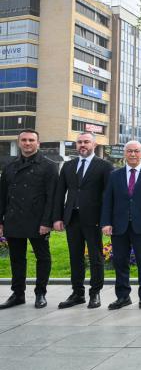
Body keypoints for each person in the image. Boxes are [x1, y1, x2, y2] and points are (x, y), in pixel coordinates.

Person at [52, 132, 113, 310]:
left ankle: (95, 292)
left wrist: (106, 220)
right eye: (79, 142)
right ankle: (77, 293)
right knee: (75, 257)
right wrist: (57, 217)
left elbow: (109, 195)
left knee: (96, 257)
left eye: (86, 142)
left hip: (94, 219)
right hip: (72, 218)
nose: (82, 145)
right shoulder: (68, 166)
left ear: (94, 145)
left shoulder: (104, 166)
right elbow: (59, 193)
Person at [0, 130, 58, 309]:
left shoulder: (49, 166)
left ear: (38, 143)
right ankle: (18, 294)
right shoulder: (9, 166)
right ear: (19, 143)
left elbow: (52, 197)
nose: (27, 143)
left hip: (38, 220)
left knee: (43, 257)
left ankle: (40, 293)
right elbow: (2, 195)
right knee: (16, 258)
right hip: (13, 218)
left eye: (31, 140)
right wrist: (0, 221)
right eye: (24, 140)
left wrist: (47, 222)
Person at [100, 141, 141, 310]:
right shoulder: (115, 175)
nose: (133, 154)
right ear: (125, 154)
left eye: (136, 151)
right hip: (119, 226)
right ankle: (123, 296)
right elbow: (108, 200)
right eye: (129, 151)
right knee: (120, 262)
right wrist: (106, 222)